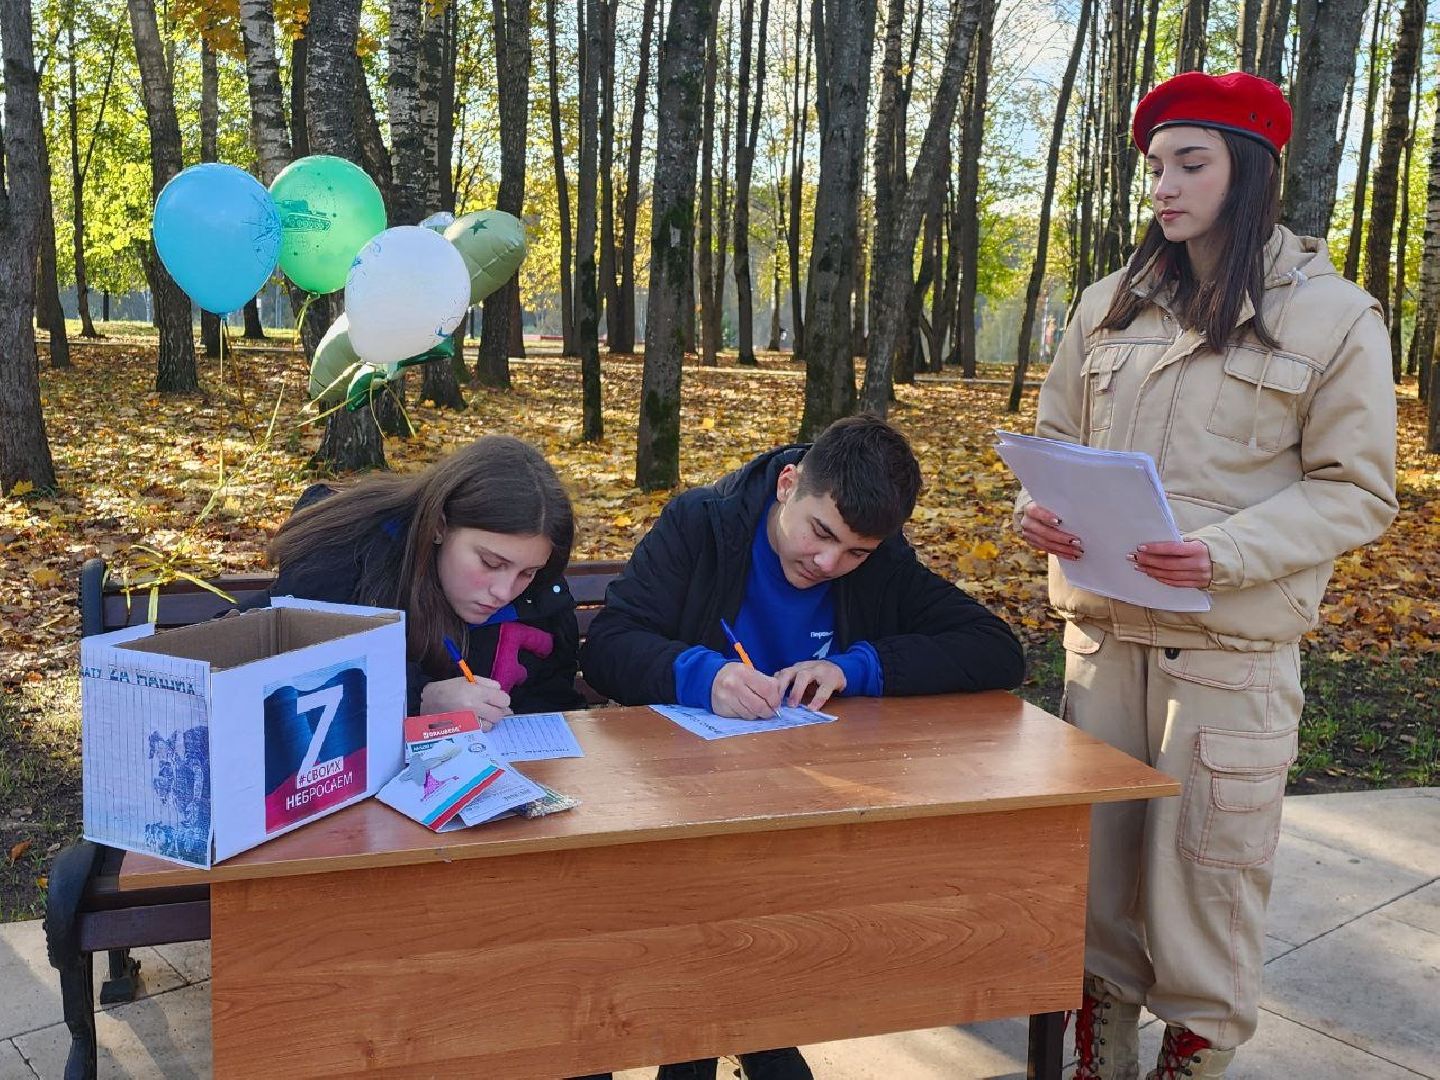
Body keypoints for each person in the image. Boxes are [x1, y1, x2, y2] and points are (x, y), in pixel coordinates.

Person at [1015, 71, 1397, 1080]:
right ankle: (1099, 1046)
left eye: (1192, 163)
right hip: (1100, 649)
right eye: (1154, 167)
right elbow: (1057, 435)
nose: (1164, 187)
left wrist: (1224, 553)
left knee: (1204, 885)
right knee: (1092, 881)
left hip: (1226, 663)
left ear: (1252, 172)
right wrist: (1038, 509)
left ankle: (1193, 1056)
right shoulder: (1109, 304)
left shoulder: (1333, 317)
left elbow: (1357, 491)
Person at [580, 413, 1026, 1080]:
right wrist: (703, 675)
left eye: (855, 553)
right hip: (678, 800)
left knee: (812, 909)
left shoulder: (878, 563)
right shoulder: (700, 526)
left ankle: (745, 1023)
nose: (828, 565)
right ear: (788, 483)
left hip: (803, 812)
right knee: (708, 901)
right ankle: (728, 1034)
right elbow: (612, 643)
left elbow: (995, 650)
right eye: (821, 534)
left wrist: (857, 667)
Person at [257, 434, 584, 722]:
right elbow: (290, 673)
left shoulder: (540, 592)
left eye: (527, 572)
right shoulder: (344, 554)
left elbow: (553, 698)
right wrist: (419, 699)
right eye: (490, 562)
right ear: (439, 527)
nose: (504, 591)